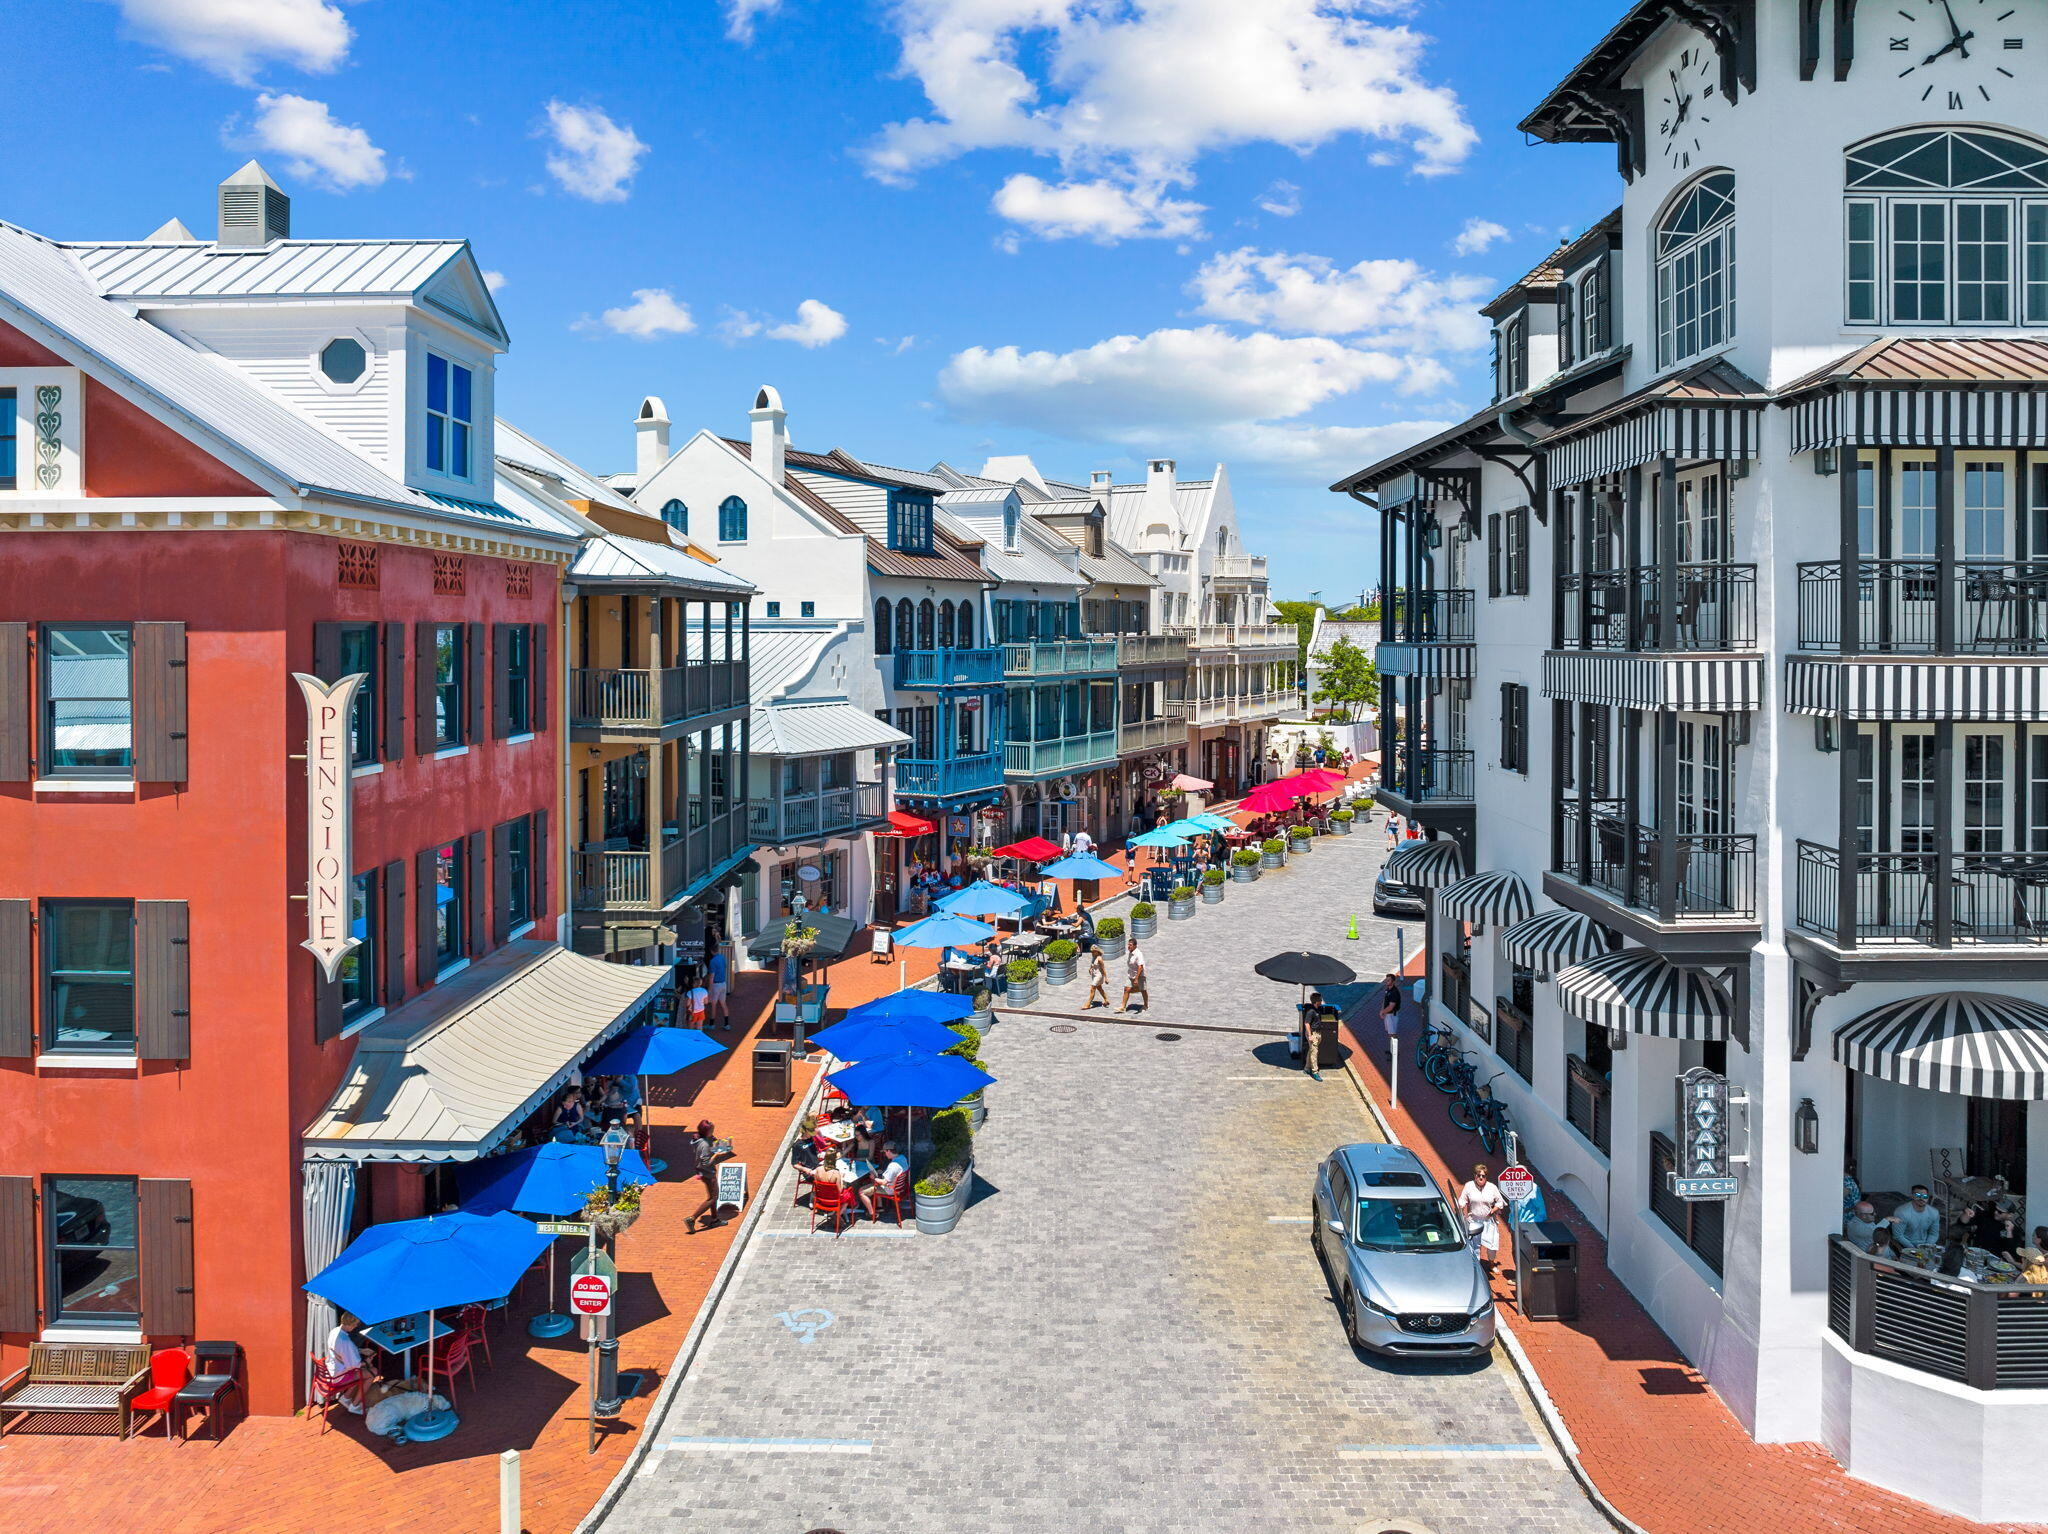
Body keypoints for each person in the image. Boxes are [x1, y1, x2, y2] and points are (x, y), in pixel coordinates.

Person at [1457, 1163, 1508, 1273]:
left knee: (1492, 1246)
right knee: (1475, 1246)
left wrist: (1493, 1210)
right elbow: (1462, 1199)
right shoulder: (1468, 1186)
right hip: (1474, 1221)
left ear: (1486, 1177)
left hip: (1488, 1221)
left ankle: (1491, 1263)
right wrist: (1460, 1206)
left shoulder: (1492, 1187)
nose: (1480, 1177)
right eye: (1478, 1175)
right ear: (1474, 1175)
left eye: (1483, 1175)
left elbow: (1500, 1202)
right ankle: (1476, 1267)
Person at [688, 1119, 735, 1231]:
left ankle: (714, 1219)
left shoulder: (699, 1140)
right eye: (712, 1130)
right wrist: (717, 1155)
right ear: (706, 1131)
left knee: (712, 1196)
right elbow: (706, 1163)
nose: (713, 1131)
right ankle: (692, 1218)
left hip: (703, 1172)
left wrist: (719, 1142)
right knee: (713, 1198)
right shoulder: (704, 1145)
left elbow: (712, 1144)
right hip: (708, 1173)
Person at [323, 1312, 369, 1413]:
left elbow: (342, 1351)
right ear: (351, 1324)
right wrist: (367, 1361)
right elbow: (355, 1365)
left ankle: (346, 1398)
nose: (356, 1326)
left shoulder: (334, 1331)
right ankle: (355, 1405)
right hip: (339, 1376)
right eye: (356, 1324)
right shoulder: (346, 1341)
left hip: (331, 1370)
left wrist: (359, 1350)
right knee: (371, 1372)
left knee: (362, 1371)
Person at [1886, 1185, 1943, 1250]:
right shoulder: (1901, 1212)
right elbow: (1898, 1236)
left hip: (1924, 1245)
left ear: (1928, 1198)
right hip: (1905, 1245)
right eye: (1918, 1196)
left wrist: (1927, 1247)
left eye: (1925, 1196)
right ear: (1912, 1196)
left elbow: (1934, 1234)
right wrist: (1914, 1249)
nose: (1921, 1199)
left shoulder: (1934, 1213)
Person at [860, 1144, 908, 1220]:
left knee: (861, 1192)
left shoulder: (892, 1166)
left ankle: (872, 1214)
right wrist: (881, 1173)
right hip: (902, 1187)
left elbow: (884, 1182)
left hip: (891, 1190)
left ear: (889, 1151)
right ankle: (880, 1206)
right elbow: (893, 1174)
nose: (885, 1154)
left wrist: (875, 1178)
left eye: (885, 1152)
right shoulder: (902, 1158)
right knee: (876, 1180)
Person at [1120, 938, 1149, 1013]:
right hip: (1131, 974)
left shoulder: (1138, 954)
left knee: (1143, 990)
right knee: (1126, 989)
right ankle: (1123, 1007)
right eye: (1128, 945)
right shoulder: (1131, 952)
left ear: (1135, 946)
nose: (1128, 946)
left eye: (1130, 945)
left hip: (1140, 976)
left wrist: (1136, 979)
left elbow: (1140, 966)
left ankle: (1145, 1005)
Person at [707, 947, 730, 1028]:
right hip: (723, 983)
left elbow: (711, 977)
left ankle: (712, 1024)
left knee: (713, 1005)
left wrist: (709, 990)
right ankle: (727, 1024)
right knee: (723, 1004)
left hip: (716, 985)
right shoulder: (722, 957)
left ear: (711, 951)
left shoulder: (712, 961)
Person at [1084, 945, 1110, 1010]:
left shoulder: (1099, 959)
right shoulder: (1093, 957)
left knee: (1092, 988)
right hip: (1094, 975)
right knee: (1099, 988)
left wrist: (1106, 978)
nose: (1092, 953)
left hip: (1099, 975)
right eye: (1091, 951)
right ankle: (1106, 1000)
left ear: (1097, 952)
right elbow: (1092, 964)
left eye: (1093, 951)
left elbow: (1103, 969)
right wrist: (1090, 969)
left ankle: (1088, 1004)